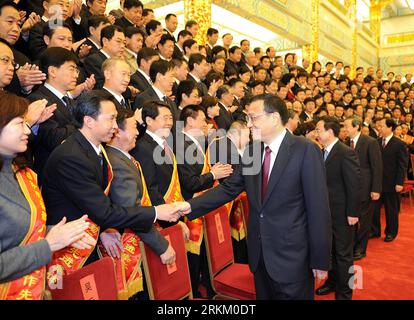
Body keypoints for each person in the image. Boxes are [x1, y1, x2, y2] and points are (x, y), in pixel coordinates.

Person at [184, 94, 332, 300]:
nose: (249, 124)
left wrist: (320, 259)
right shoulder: (253, 151)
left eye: (254, 118)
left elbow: (318, 208)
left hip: (292, 258)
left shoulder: (305, 149)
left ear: (274, 117)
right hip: (260, 257)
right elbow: (228, 189)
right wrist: (188, 207)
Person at [41, 92, 189, 276]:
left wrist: (103, 229)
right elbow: (103, 211)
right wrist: (157, 212)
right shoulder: (71, 156)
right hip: (69, 249)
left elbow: (95, 200)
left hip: (88, 237)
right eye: (111, 119)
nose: (115, 126)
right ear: (89, 121)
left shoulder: (95, 149)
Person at [0, 91, 94, 299]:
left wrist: (60, 234)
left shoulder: (19, 171)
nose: (28, 129)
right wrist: (49, 244)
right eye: (19, 123)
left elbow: (22, 233)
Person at [315, 116, 361, 300]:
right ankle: (332, 283)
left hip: (343, 215)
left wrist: (353, 212)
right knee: (331, 252)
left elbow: (354, 185)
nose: (316, 133)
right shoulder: (320, 152)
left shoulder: (345, 152)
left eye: (319, 130)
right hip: (325, 214)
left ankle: (345, 293)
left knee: (344, 256)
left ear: (330, 132)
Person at [343, 117, 382, 261]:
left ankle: (361, 249)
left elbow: (377, 167)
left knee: (364, 221)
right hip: (350, 190)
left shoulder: (370, 142)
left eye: (347, 126)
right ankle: (351, 246)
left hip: (366, 189)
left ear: (356, 126)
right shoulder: (345, 143)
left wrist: (376, 189)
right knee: (351, 220)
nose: (344, 129)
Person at [372, 118, 408, 242]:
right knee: (375, 209)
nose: (379, 128)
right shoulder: (376, 142)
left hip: (392, 183)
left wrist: (399, 182)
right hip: (377, 183)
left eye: (381, 126)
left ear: (390, 128)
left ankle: (391, 232)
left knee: (391, 209)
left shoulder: (399, 144)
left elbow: (402, 165)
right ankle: (375, 230)